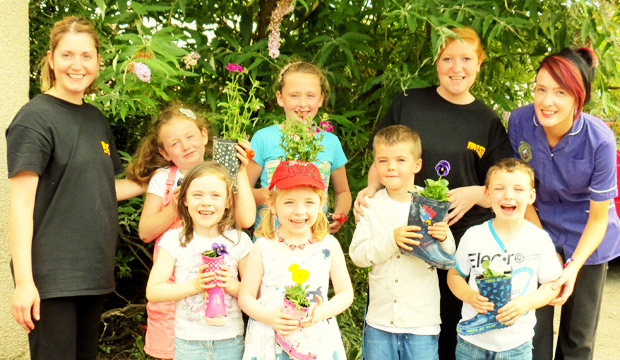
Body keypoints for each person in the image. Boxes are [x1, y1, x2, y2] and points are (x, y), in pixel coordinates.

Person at [355, 26, 513, 359]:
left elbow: (502, 189)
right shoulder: (410, 102)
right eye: (448, 58)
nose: (457, 68)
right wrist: (369, 193)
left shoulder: (487, 121)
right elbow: (382, 157)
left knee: (450, 333)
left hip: (456, 240)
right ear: (436, 62)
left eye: (466, 58)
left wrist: (474, 192)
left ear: (479, 63)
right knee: (395, 324)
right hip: (405, 237)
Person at [6, 16, 144, 359]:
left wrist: (162, 179)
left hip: (93, 271)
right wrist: (25, 282)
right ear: (51, 59)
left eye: (86, 56)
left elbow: (101, 189)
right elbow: (21, 205)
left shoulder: (95, 119)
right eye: (67, 55)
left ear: (98, 62)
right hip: (51, 278)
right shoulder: (34, 118)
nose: (77, 65)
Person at [508, 47, 620, 359]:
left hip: (588, 237)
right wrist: (546, 250)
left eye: (560, 92)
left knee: (577, 340)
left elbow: (599, 219)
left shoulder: (599, 140)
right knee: (532, 328)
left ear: (578, 98)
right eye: (540, 89)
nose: (546, 101)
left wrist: (572, 267)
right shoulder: (520, 122)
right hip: (537, 227)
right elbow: (521, 192)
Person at [126, 102, 256, 359]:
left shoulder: (222, 172)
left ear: (204, 136)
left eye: (190, 137)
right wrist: (177, 206)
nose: (185, 146)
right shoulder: (163, 179)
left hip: (219, 305)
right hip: (174, 283)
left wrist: (241, 170)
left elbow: (247, 219)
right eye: (175, 143)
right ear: (164, 152)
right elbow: (145, 232)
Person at [349, 125, 455, 360]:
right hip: (379, 323)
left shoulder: (430, 202)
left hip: (422, 324)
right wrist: (391, 240)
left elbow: (448, 258)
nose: (391, 167)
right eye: (383, 161)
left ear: (417, 165)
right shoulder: (371, 205)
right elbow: (357, 254)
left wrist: (445, 236)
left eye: (400, 160)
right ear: (375, 166)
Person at [447, 158, 562, 359]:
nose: (508, 196)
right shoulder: (473, 235)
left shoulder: (539, 239)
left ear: (531, 196)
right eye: (499, 188)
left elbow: (551, 284)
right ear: (487, 194)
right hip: (472, 344)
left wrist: (527, 303)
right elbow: (455, 274)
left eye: (518, 189)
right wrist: (469, 296)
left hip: (517, 346)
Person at [238, 160, 354, 359]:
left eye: (308, 202)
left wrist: (323, 311)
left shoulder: (329, 245)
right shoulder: (263, 247)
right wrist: (269, 317)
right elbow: (245, 296)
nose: (299, 210)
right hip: (270, 340)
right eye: (289, 202)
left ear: (320, 204)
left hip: (316, 338)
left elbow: (345, 293)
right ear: (273, 205)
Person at [146, 161, 252, 360]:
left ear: (229, 201)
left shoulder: (240, 241)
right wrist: (195, 286)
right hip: (188, 343)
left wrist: (231, 285)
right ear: (184, 199)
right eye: (197, 195)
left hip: (230, 340)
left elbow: (254, 295)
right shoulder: (174, 240)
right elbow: (153, 291)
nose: (205, 202)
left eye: (215, 195)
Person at [247, 61, 351, 235]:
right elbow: (243, 192)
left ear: (321, 99)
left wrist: (339, 214)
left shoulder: (330, 142)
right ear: (280, 98)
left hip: (314, 241)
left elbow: (343, 191)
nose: (302, 104)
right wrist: (274, 194)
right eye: (294, 95)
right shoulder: (263, 138)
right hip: (270, 240)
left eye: (310, 96)